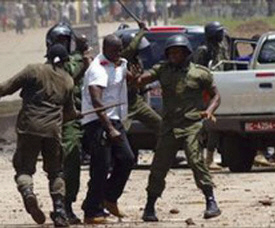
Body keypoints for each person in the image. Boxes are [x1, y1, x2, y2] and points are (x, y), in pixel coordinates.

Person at [137, 34, 221, 221]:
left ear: (186, 53)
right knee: (159, 166)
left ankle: (211, 201)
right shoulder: (163, 70)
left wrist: (209, 110)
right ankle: (150, 207)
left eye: (177, 52)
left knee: (195, 160)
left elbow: (216, 95)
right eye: (171, 52)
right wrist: (135, 76)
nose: (173, 56)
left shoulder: (200, 73)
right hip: (169, 127)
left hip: (191, 124)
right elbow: (144, 78)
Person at [0, 44, 81, 227]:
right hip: (53, 131)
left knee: (24, 169)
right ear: (66, 61)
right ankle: (60, 212)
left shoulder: (33, 70)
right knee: (55, 172)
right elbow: (69, 113)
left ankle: (28, 193)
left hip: (29, 128)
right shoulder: (68, 80)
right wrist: (75, 114)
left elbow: (5, 88)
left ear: (48, 57)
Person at [81, 34, 135, 224]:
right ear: (104, 48)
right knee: (101, 166)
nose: (118, 53)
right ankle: (92, 211)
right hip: (97, 121)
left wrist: (135, 77)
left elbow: (129, 78)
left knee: (127, 159)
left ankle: (109, 197)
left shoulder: (120, 63)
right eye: (114, 50)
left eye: (120, 50)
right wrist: (110, 129)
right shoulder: (98, 69)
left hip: (115, 118)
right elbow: (97, 101)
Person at [46, 22, 91, 225]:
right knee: (63, 165)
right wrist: (83, 60)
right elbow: (69, 77)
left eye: (66, 41)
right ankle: (62, 206)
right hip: (59, 120)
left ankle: (81, 204)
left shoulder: (79, 59)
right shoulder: (52, 65)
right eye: (59, 41)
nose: (63, 45)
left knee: (78, 163)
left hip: (81, 118)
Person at [119, 22, 162, 162]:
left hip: (136, 101)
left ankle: (164, 155)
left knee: (159, 125)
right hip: (123, 102)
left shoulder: (137, 61)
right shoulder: (121, 59)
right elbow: (130, 48)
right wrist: (142, 31)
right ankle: (116, 158)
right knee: (119, 132)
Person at [192, 21, 230, 170]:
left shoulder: (221, 47)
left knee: (215, 125)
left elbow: (225, 64)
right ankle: (200, 158)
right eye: (219, 32)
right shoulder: (203, 50)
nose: (222, 35)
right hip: (205, 92)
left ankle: (209, 158)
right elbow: (197, 71)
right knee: (203, 126)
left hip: (219, 88)